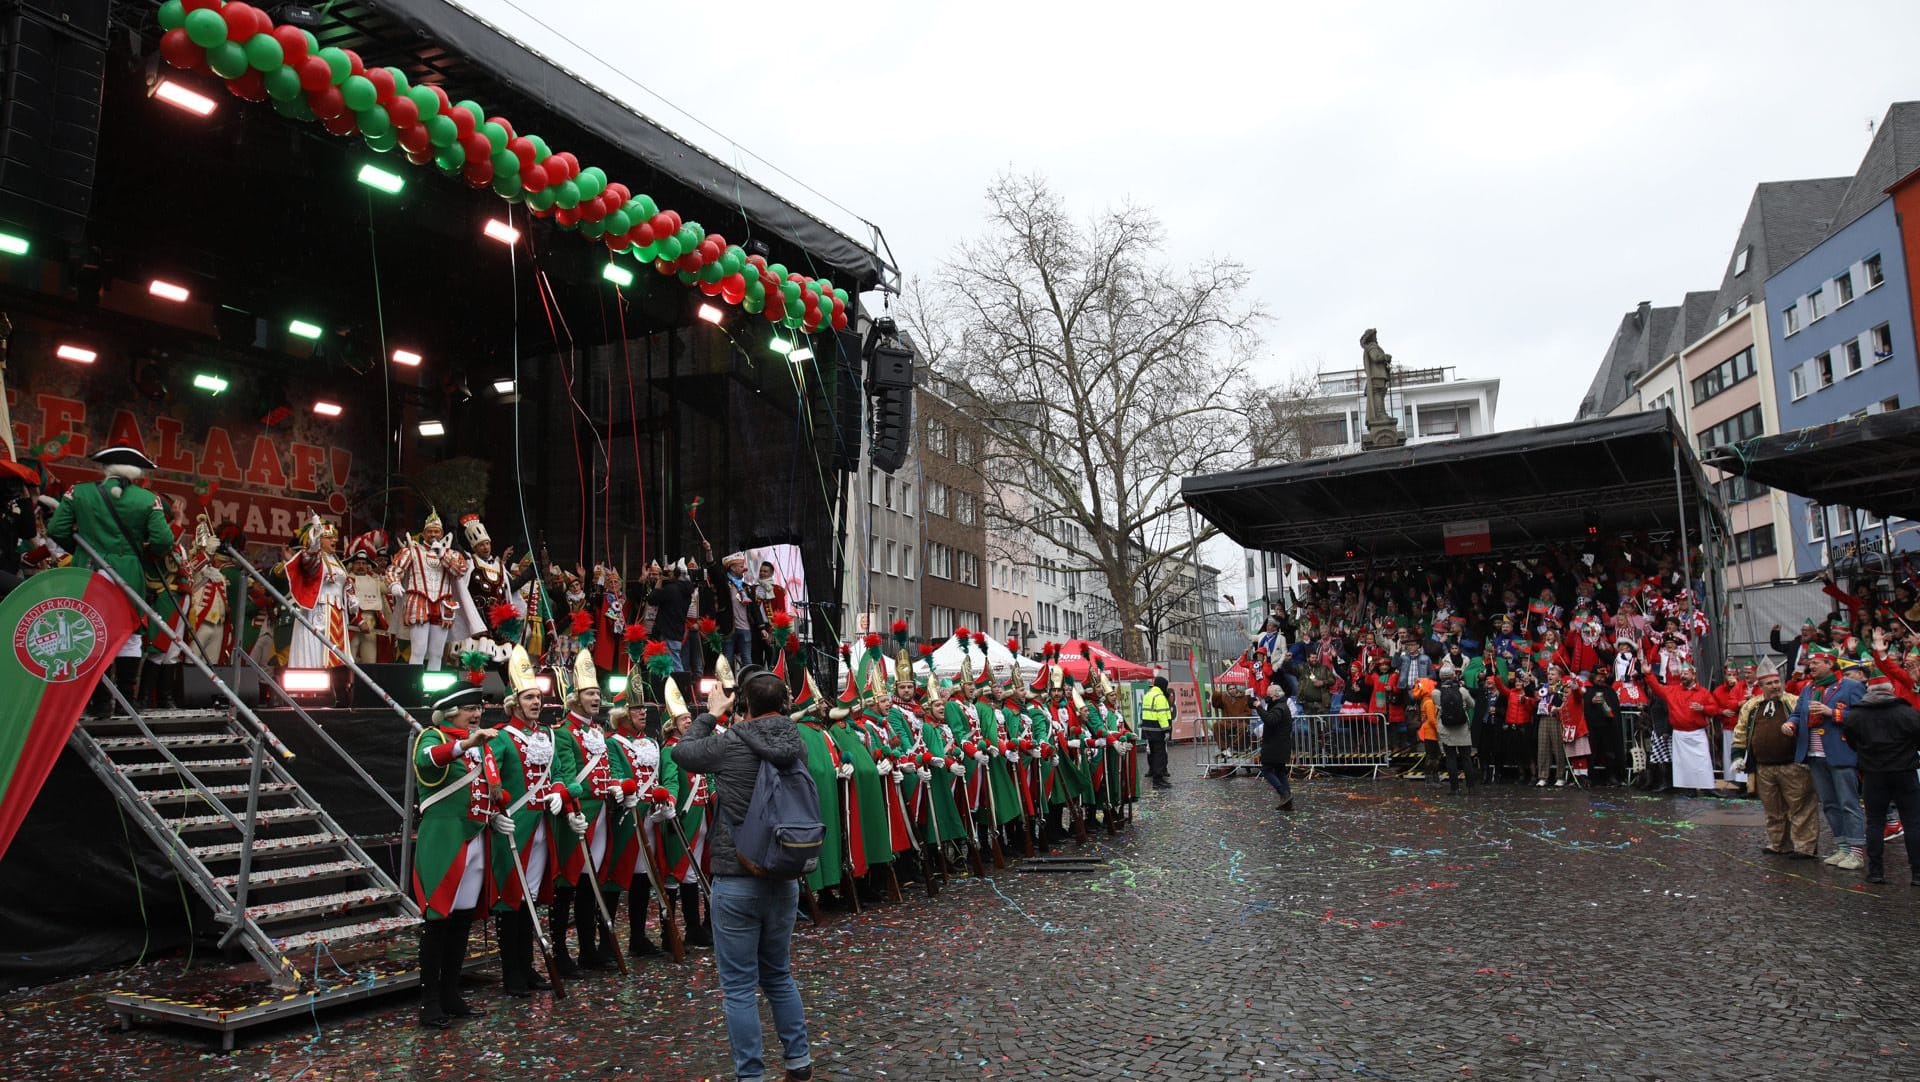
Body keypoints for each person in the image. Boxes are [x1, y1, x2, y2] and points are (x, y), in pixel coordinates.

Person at [671, 669, 815, 1082]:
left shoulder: (732, 742)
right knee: (779, 974)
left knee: (738, 986)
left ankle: (751, 1074)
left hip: (737, 875)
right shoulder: (796, 743)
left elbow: (683, 753)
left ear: (745, 706)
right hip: (783, 873)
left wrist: (712, 714)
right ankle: (798, 1060)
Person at [48, 445, 175, 711]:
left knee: (89, 632)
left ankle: (97, 701)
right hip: (128, 571)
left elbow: (56, 529)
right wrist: (142, 553)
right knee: (129, 633)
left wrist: (81, 552)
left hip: (89, 569)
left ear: (106, 469)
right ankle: (127, 700)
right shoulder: (147, 499)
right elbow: (164, 540)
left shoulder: (78, 492)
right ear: (134, 473)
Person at [410, 686, 497, 1027]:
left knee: (461, 923)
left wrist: (497, 808)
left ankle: (450, 993)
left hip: (474, 838)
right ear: (448, 712)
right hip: (445, 840)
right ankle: (429, 1002)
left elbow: (485, 787)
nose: (476, 714)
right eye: (468, 709)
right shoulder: (431, 737)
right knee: (437, 923)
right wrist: (464, 745)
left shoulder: (478, 745)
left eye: (478, 708)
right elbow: (428, 760)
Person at [1831, 676, 1920, 885]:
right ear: (1890, 691)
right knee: (1913, 822)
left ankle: (1876, 871)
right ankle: (1917, 873)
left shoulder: (1856, 716)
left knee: (1874, 823)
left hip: (1873, 773)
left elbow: (1852, 742)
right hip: (1904, 771)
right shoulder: (1907, 713)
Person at [1786, 648, 1868, 870]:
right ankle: (1842, 846)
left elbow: (1863, 717)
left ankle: (1857, 851)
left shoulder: (1851, 687)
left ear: (1830, 664)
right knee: (1830, 804)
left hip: (1840, 753)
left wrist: (1833, 713)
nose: (1811, 667)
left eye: (1817, 663)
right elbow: (1797, 712)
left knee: (1849, 803)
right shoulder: (1807, 688)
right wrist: (1791, 723)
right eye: (1810, 663)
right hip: (1813, 754)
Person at [1732, 665, 1818, 859]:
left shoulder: (1795, 702)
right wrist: (1738, 756)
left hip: (1793, 766)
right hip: (1764, 767)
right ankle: (1779, 843)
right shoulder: (1751, 705)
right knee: (1773, 809)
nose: (1774, 686)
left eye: (1776, 682)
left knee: (1801, 807)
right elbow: (1741, 731)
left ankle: (1804, 847)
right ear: (1760, 685)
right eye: (1769, 683)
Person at [387, 510, 468, 670]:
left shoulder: (452, 554)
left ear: (442, 533)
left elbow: (460, 571)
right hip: (419, 602)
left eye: (436, 531)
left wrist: (441, 554)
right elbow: (394, 569)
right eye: (429, 531)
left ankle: (434, 689)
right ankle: (414, 685)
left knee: (437, 652)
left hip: (443, 605)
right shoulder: (412, 551)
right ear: (423, 533)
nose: (433, 534)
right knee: (418, 649)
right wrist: (394, 583)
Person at [1432, 665, 1475, 794]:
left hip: (1446, 728)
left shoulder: (1436, 692)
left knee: (1451, 759)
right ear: (1453, 675)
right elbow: (1472, 704)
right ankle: (1471, 787)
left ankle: (1454, 788)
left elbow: (1438, 706)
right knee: (1466, 758)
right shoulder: (1462, 690)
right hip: (1462, 728)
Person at [1253, 678, 1294, 811]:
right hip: (1281, 744)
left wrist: (1258, 707)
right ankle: (1287, 801)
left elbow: (1270, 720)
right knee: (1280, 771)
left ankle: (1283, 793)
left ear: (1276, 695)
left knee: (1266, 769)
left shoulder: (1279, 708)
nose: (1267, 697)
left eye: (1269, 695)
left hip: (1275, 745)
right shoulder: (1281, 706)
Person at [1140, 675, 1174, 789]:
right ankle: (1158, 780)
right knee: (1160, 755)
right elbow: (1162, 715)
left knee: (1153, 754)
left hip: (1148, 729)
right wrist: (1167, 730)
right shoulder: (1160, 697)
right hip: (1158, 730)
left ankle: (1156, 777)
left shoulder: (1148, 695)